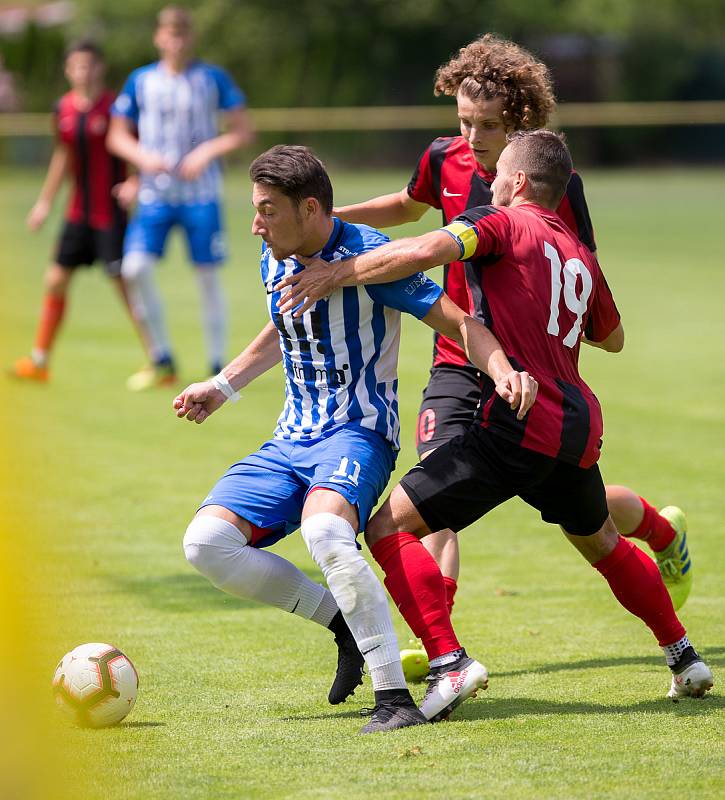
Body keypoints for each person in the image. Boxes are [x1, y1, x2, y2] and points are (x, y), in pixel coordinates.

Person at [276, 35, 693, 674]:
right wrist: (327, 221)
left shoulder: (548, 185)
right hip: (459, 351)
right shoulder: (444, 157)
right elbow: (407, 208)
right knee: (435, 478)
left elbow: (573, 269)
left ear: (520, 123)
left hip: (533, 369)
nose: (470, 135)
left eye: (488, 125)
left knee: (577, 510)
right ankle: (437, 636)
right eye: (463, 119)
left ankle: (662, 533)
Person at [173, 145, 537, 732]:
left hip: (358, 431)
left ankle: (392, 694)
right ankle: (342, 620)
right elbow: (285, 320)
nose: (255, 224)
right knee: (206, 544)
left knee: (326, 531)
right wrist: (223, 385)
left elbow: (457, 321)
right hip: (292, 437)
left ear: (310, 207)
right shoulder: (278, 251)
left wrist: (500, 370)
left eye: (267, 210)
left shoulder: (373, 257)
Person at [107, 5, 253, 390]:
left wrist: (206, 152)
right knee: (133, 269)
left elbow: (242, 131)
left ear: (191, 38)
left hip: (200, 196)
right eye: (169, 34)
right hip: (155, 195)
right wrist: (142, 157)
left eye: (183, 34)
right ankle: (162, 359)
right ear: (159, 37)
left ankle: (219, 365)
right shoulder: (140, 81)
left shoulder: (212, 78)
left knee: (207, 277)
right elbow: (117, 135)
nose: (176, 41)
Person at [11, 41, 140, 382]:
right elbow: (62, 157)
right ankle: (39, 361)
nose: (83, 71)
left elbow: (136, 149)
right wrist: (44, 203)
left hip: (110, 214)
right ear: (68, 70)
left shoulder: (117, 107)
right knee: (54, 280)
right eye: (76, 66)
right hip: (78, 214)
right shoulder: (62, 109)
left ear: (100, 67)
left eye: (89, 65)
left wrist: (135, 182)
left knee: (126, 286)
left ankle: (159, 360)